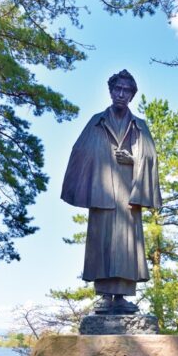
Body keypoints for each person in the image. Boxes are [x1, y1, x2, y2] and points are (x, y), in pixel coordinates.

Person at [61, 69, 161, 314]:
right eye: (117, 89)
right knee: (101, 243)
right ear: (110, 91)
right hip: (102, 192)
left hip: (128, 195)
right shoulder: (97, 122)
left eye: (126, 90)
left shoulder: (139, 126)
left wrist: (133, 159)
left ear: (132, 95)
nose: (121, 94)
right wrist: (103, 160)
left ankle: (123, 297)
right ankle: (105, 296)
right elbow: (81, 152)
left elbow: (149, 157)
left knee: (127, 246)